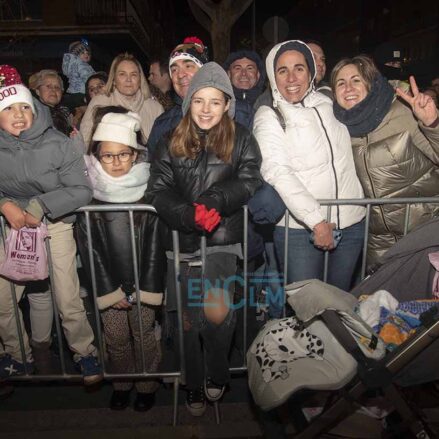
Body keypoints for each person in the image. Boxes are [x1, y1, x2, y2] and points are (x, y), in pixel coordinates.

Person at [147, 62, 262, 416]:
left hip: (222, 240)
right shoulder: (170, 139)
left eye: (215, 101)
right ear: (189, 103)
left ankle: (217, 371)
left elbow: (250, 179)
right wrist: (187, 214)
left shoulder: (242, 137)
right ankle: (193, 381)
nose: (207, 109)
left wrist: (215, 200)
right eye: (199, 100)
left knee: (217, 315)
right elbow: (157, 190)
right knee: (185, 320)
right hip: (180, 243)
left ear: (227, 104)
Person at [0, 65, 101, 383]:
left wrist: (41, 205)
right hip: (10, 227)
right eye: (8, 108)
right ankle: (18, 355)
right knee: (3, 298)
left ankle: (85, 353)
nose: (18, 115)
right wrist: (4, 204)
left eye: (23, 107)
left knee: (67, 294)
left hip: (54, 224)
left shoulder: (58, 142)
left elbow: (81, 189)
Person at [253, 40, 365, 291]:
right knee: (308, 305)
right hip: (301, 232)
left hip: (352, 223)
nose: (292, 77)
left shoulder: (330, 103)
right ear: (273, 76)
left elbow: (367, 112)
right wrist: (316, 221)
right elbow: (277, 171)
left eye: (299, 68)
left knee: (341, 301)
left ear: (311, 72)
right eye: (282, 70)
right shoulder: (269, 115)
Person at [76, 108, 164, 411]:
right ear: (97, 156)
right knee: (115, 338)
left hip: (142, 285)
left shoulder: (148, 195)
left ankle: (146, 385)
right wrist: (110, 292)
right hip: (109, 286)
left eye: (123, 154)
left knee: (144, 335)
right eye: (108, 156)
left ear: (135, 155)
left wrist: (145, 289)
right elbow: (90, 251)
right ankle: (122, 383)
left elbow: (154, 249)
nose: (116, 162)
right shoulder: (89, 197)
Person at [331, 54, 439, 269]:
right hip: (379, 240)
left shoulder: (401, 112)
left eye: (356, 80)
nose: (348, 88)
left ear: (370, 83)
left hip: (424, 230)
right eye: (341, 83)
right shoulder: (338, 128)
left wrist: (432, 123)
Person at [147, 36, 254, 155]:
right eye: (174, 70)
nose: (180, 75)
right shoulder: (163, 124)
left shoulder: (242, 114)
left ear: (205, 72)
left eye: (188, 66)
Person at [80, 53, 163, 149]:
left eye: (133, 74)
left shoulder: (155, 108)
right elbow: (85, 140)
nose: (128, 79)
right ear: (114, 79)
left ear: (140, 79)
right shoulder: (99, 103)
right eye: (122, 74)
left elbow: (162, 147)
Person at [29, 69, 73, 136]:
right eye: (48, 86)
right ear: (38, 91)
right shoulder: (33, 115)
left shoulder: (66, 115)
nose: (53, 90)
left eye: (57, 87)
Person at [62, 39, 95, 111]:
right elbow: (87, 77)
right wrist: (94, 81)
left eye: (88, 53)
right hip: (81, 92)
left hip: (74, 92)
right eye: (82, 53)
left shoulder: (74, 65)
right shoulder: (81, 65)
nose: (86, 55)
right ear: (76, 55)